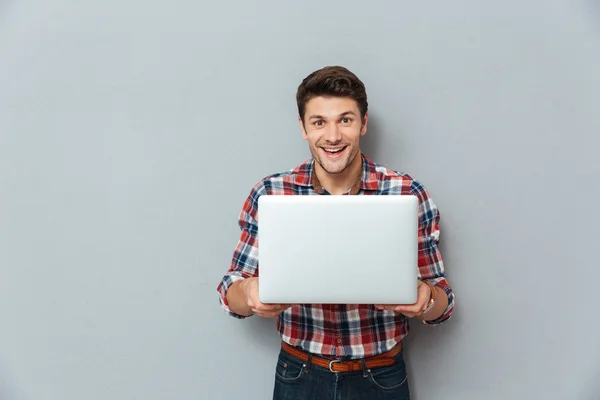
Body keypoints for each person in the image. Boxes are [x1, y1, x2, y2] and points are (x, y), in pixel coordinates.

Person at [216, 66, 455, 399]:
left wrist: (426, 300)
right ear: (303, 127)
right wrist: (249, 293)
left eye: (345, 120)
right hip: (298, 374)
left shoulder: (406, 193)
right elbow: (230, 293)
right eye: (319, 122)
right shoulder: (271, 193)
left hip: (381, 376)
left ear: (363, 123)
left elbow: (443, 301)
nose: (332, 136)